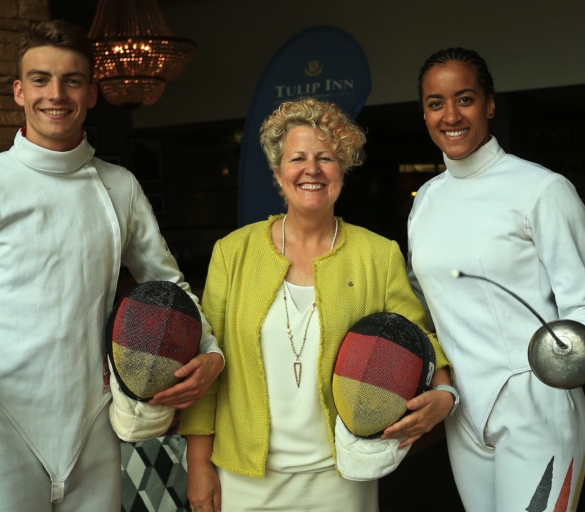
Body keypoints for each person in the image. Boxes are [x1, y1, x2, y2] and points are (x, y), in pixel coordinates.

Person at [0, 20, 223, 512]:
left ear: (91, 93)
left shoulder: (120, 186)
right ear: (19, 91)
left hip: (92, 426)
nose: (55, 94)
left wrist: (210, 352)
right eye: (40, 79)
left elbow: (167, 285)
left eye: (71, 80)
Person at [179, 97, 455, 512]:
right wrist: (198, 463)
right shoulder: (232, 253)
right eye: (298, 158)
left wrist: (445, 392)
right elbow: (207, 360)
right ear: (278, 173)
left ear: (342, 170)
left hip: (341, 475)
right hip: (243, 477)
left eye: (326, 157)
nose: (312, 169)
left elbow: (418, 340)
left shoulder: (377, 255)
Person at [407, 47, 585, 511]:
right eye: (436, 103)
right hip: (463, 410)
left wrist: (565, 362)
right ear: (424, 114)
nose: (450, 115)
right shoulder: (426, 201)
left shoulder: (541, 189)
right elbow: (423, 305)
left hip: (537, 405)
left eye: (465, 99)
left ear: (490, 104)